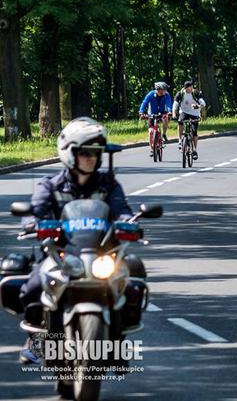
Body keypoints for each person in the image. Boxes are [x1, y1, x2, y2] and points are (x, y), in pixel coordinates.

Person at [18, 117, 133, 363]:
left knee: (130, 284)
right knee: (33, 286)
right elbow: (35, 211)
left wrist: (128, 223)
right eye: (86, 152)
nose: (92, 158)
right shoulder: (49, 185)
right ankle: (36, 338)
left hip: (101, 255)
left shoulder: (108, 185)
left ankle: (117, 341)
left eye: (96, 153)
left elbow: (122, 209)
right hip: (60, 254)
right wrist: (32, 223)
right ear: (70, 153)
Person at [173, 81, 206, 160]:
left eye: (190, 87)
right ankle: (180, 140)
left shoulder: (196, 93)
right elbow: (175, 104)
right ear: (185, 88)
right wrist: (174, 114)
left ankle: (194, 150)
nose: (189, 89)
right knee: (180, 121)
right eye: (187, 88)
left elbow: (203, 103)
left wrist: (197, 106)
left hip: (195, 113)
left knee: (194, 132)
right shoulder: (180, 93)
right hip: (184, 112)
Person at [139, 81, 173, 155]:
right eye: (164, 89)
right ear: (159, 89)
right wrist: (141, 112)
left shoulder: (166, 95)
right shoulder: (151, 94)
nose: (166, 90)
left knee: (165, 119)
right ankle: (152, 148)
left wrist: (170, 111)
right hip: (152, 113)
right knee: (151, 132)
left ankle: (163, 134)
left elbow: (168, 104)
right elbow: (144, 102)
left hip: (162, 111)